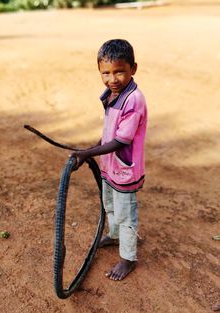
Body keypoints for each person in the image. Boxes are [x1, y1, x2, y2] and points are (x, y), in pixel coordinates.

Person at [71, 39, 147, 281]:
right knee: (110, 205)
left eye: (120, 72)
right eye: (106, 73)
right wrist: (91, 149)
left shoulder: (133, 100)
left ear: (133, 68)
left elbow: (121, 141)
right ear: (99, 71)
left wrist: (88, 154)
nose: (112, 79)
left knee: (126, 214)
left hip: (124, 170)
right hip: (109, 167)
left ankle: (128, 258)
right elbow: (109, 134)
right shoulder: (112, 94)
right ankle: (114, 236)